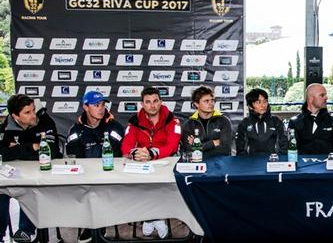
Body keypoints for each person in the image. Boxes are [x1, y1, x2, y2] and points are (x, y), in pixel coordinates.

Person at [121, 87, 181, 239]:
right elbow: (126, 146)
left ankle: (154, 217)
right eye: (148, 102)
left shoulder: (172, 120)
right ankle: (152, 218)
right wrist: (135, 153)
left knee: (161, 184)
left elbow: (172, 145)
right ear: (142, 104)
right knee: (140, 185)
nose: (152, 105)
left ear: (161, 102)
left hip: (165, 162)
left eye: (155, 101)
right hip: (142, 163)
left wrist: (153, 153)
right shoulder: (134, 121)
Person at [65, 91, 124, 242]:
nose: (101, 108)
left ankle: (95, 227)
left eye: (103, 105)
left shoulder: (115, 127)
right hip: (86, 178)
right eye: (96, 105)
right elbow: (74, 157)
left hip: (111, 177)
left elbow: (118, 156)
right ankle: (94, 227)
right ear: (85, 107)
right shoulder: (76, 130)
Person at [0, 94, 60, 242]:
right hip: (15, 173)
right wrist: (32, 147)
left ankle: (26, 231)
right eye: (27, 112)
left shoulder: (44, 120)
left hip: (42, 173)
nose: (33, 115)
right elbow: (3, 153)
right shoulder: (5, 126)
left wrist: (18, 149)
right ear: (15, 116)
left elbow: (51, 151)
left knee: (31, 188)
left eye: (33, 110)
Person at [289, 83, 333, 154]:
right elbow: (291, 147)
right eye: (322, 95)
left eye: (326, 95)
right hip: (303, 163)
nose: (326, 98)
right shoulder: (295, 122)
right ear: (311, 98)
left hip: (330, 162)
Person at [181, 86, 233, 157]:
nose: (211, 104)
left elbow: (225, 149)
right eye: (206, 101)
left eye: (212, 100)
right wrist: (213, 143)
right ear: (196, 104)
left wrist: (198, 146)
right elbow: (188, 150)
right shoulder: (189, 125)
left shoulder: (224, 121)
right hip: (198, 163)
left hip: (220, 163)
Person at [236, 88, 287, 155]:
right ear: (250, 106)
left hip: (273, 162)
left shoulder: (276, 122)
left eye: (265, 101)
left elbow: (284, 146)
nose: (263, 105)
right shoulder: (244, 124)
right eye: (258, 102)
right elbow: (240, 149)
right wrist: (247, 162)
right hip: (251, 163)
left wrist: (276, 160)